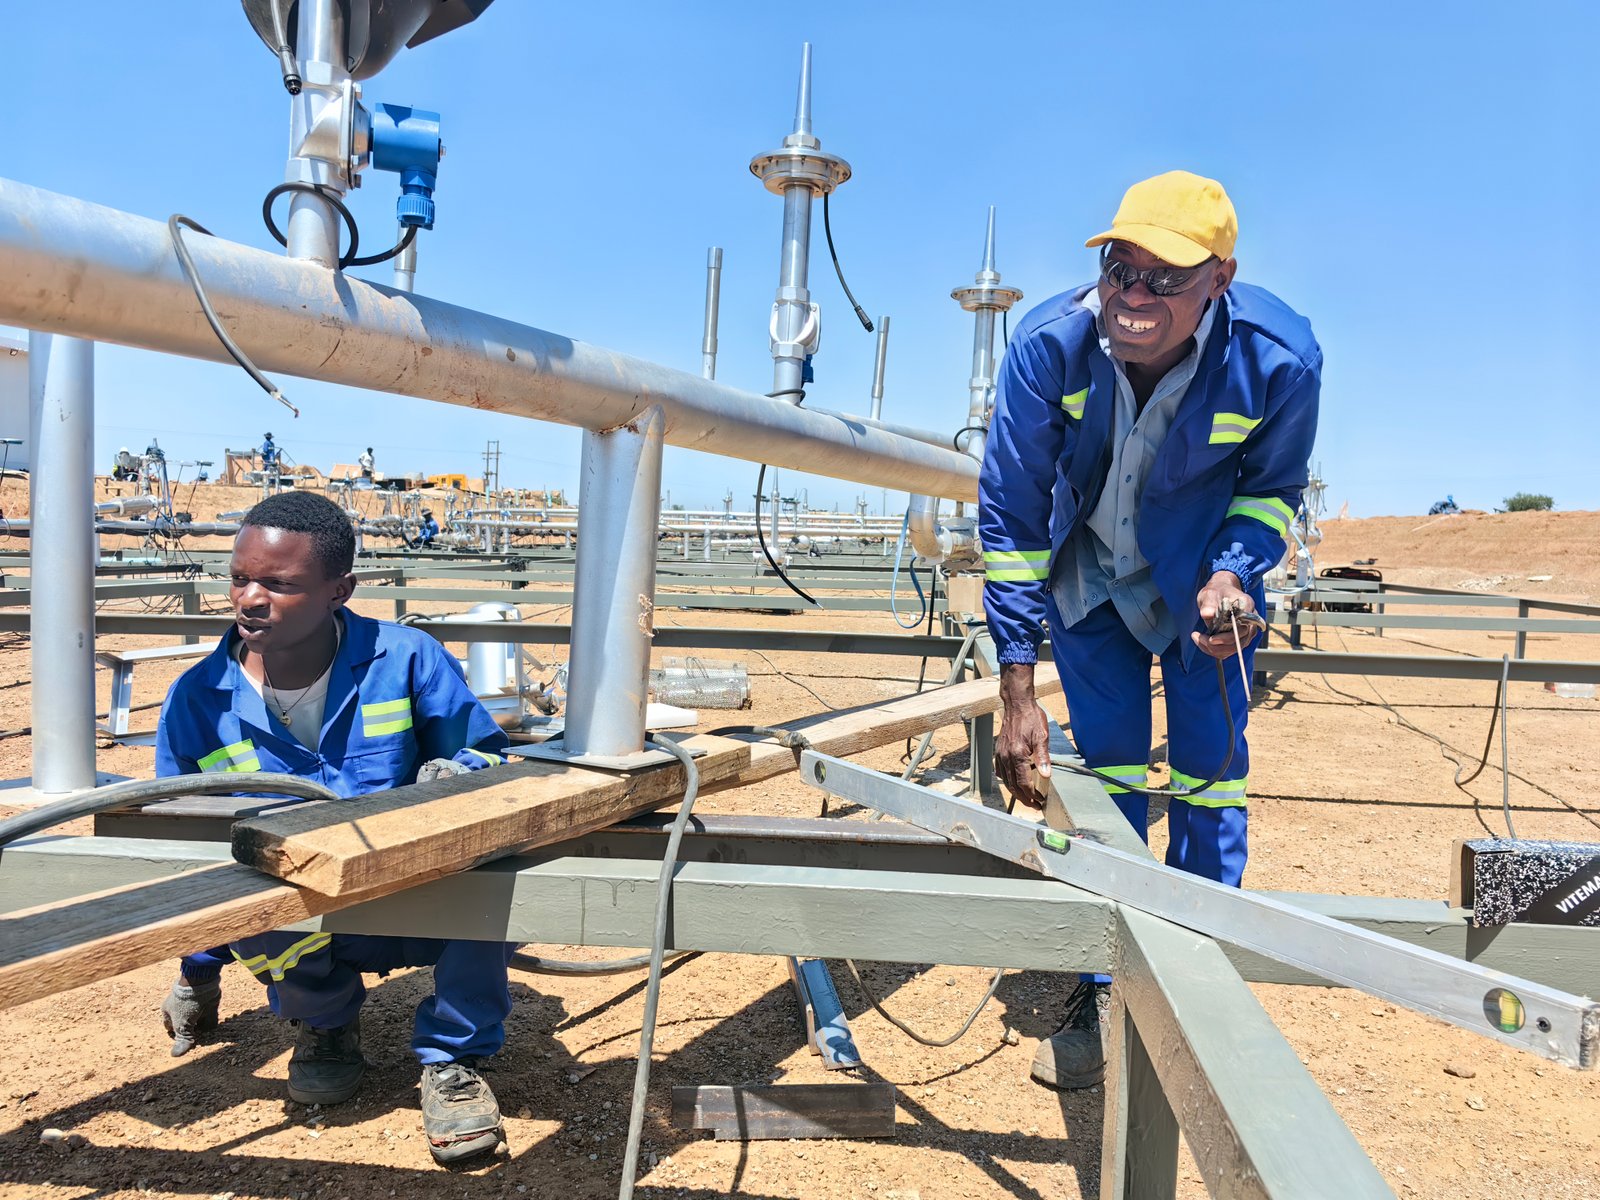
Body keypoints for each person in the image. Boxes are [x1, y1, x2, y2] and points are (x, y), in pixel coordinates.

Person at [979, 171, 1320, 1090]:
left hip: (1202, 590)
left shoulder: (1278, 357)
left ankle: (1203, 977)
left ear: (1221, 277)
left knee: (1209, 779)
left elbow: (1272, 492)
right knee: (1112, 780)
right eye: (1119, 270)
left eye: (1163, 280)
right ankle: (1105, 982)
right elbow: (1010, 518)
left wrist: (1234, 575)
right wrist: (1016, 684)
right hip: (1090, 586)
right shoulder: (1050, 345)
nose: (1131, 298)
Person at [154, 491, 517, 1164]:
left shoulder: (406, 659)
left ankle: (453, 1058)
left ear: (338, 591)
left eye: (278, 584)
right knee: (241, 895)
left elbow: (489, 757)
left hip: (419, 896)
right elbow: (182, 843)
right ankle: (324, 1022)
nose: (249, 598)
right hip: (298, 911)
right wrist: (198, 972)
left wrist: (456, 778)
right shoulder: (197, 700)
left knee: (496, 859)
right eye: (239, 578)